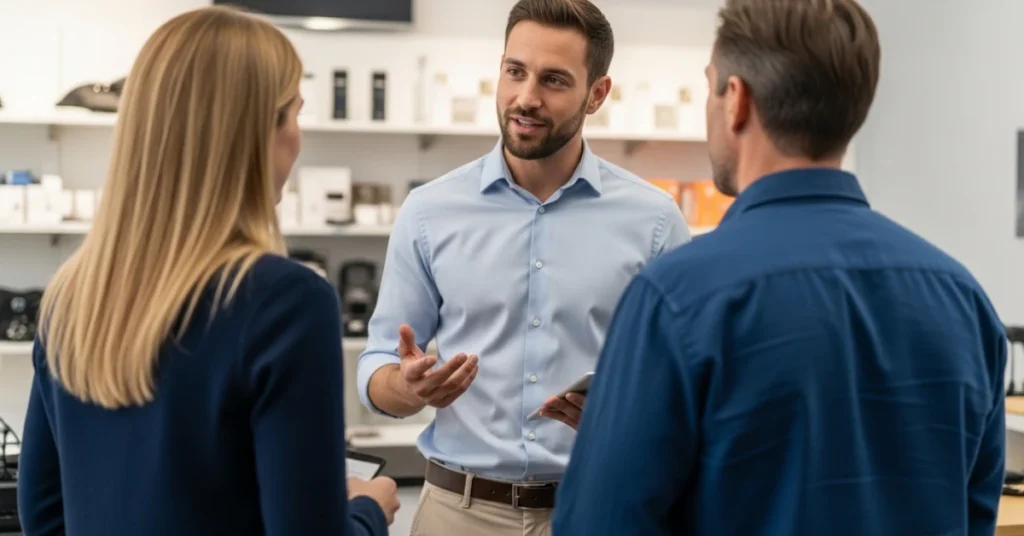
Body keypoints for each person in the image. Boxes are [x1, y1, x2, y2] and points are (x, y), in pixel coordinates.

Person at [553, 0, 1008, 535]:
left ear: (736, 101)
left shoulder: (677, 298)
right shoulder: (963, 301)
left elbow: (599, 526)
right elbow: (975, 515)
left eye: (710, 87)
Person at [16, 7, 399, 536]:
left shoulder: (73, 295)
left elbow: (42, 516)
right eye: (293, 114)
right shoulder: (285, 300)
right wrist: (369, 510)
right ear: (253, 133)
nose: (298, 137)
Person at [355, 0, 690, 533]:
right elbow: (376, 367)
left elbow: (685, 381)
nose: (526, 98)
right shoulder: (429, 211)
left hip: (599, 508)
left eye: (554, 80)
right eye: (515, 71)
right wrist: (408, 387)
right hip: (457, 513)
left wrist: (628, 410)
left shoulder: (653, 220)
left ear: (596, 94)